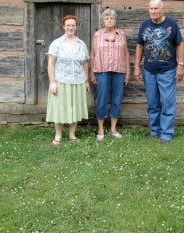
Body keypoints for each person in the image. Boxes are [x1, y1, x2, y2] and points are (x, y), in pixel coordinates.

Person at [133, 0, 184, 144]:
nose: (153, 11)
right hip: (149, 70)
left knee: (167, 102)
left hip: (167, 70)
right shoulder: (145, 25)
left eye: (156, 8)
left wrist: (180, 65)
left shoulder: (171, 24)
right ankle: (154, 131)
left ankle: (166, 133)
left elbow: (179, 44)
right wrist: (137, 67)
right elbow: (139, 46)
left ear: (162, 9)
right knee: (153, 103)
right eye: (151, 8)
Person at [46, 15, 90, 145]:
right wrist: (52, 82)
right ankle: (58, 135)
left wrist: (86, 81)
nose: (71, 27)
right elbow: (51, 64)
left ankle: (72, 134)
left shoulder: (81, 44)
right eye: (68, 25)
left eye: (73, 25)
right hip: (61, 80)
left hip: (77, 81)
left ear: (76, 27)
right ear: (63, 26)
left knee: (75, 107)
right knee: (59, 108)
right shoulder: (57, 43)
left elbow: (85, 63)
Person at [90, 9, 130, 141]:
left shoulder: (121, 34)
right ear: (103, 20)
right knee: (101, 99)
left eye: (111, 18)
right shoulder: (97, 35)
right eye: (107, 18)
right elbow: (93, 54)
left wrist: (128, 72)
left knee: (117, 99)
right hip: (101, 70)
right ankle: (101, 129)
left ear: (115, 20)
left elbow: (125, 54)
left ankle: (113, 128)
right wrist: (92, 72)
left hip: (119, 71)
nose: (109, 20)